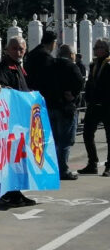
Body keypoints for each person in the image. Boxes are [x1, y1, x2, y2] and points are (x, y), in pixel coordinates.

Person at [0, 37, 37, 207]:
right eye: (15, 48)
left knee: (19, 158)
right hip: (11, 121)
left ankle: (16, 192)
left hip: (21, 119)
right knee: (12, 158)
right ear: (7, 49)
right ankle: (10, 193)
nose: (18, 52)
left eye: (21, 49)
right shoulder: (4, 68)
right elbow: (3, 90)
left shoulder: (18, 66)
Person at [43, 44, 85, 180]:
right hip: (66, 108)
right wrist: (72, 94)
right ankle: (63, 170)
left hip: (51, 106)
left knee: (54, 139)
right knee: (65, 140)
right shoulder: (71, 67)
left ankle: (53, 167)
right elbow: (80, 82)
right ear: (72, 55)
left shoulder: (50, 66)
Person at [80, 39, 110, 177]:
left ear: (106, 49)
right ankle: (92, 163)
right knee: (87, 134)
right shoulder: (94, 64)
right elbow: (91, 82)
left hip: (107, 105)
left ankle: (109, 166)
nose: (95, 50)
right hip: (93, 104)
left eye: (98, 47)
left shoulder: (108, 64)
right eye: (95, 47)